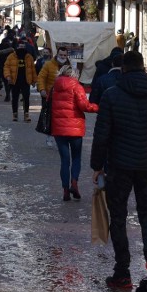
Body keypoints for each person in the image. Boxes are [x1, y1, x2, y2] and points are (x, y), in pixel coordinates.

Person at [90, 51, 147, 289]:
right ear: (143, 68)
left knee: (118, 217)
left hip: (119, 166)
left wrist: (97, 166)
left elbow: (101, 136)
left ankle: (122, 272)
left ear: (124, 69)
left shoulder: (112, 95)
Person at [50, 64, 99, 200]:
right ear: (74, 74)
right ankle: (74, 183)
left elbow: (48, 103)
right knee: (76, 157)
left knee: (64, 160)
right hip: (75, 128)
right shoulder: (77, 86)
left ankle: (65, 190)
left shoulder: (55, 87)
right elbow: (84, 106)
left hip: (59, 129)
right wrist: (97, 107)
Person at [3, 39, 37, 122]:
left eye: (23, 47)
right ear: (17, 47)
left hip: (26, 81)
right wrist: (8, 76)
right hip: (15, 81)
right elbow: (6, 67)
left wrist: (34, 80)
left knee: (26, 98)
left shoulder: (29, 57)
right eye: (20, 47)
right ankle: (15, 114)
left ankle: (26, 114)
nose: (21, 48)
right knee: (15, 98)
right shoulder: (11, 56)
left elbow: (32, 69)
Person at [0, 38, 16, 103]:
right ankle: (13, 95)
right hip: (12, 68)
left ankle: (8, 95)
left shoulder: (0, 50)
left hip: (3, 68)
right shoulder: (12, 51)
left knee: (6, 83)